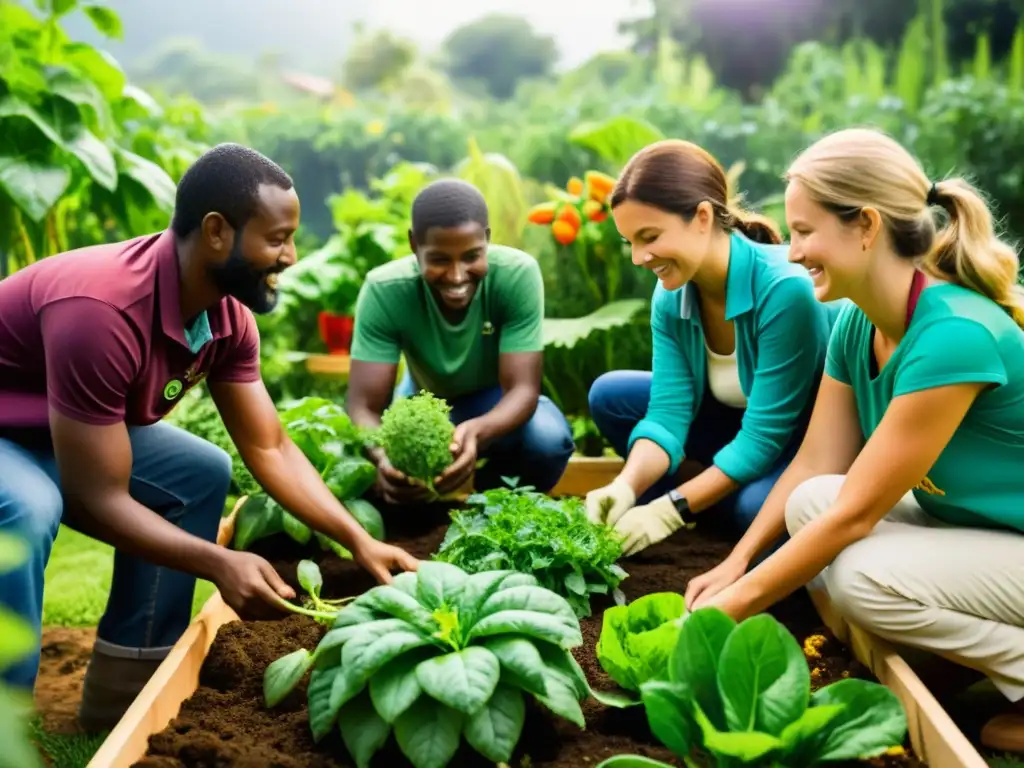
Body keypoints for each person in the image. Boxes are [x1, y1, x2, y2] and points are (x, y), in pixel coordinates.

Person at [0, 143, 419, 731]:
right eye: (277, 239)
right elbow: (96, 496)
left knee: (198, 471)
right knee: (26, 506)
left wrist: (357, 540)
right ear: (218, 232)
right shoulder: (101, 307)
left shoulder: (226, 316)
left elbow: (269, 445)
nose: (291, 256)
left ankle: (127, 696)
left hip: (54, 423)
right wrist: (218, 562)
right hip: (8, 431)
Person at [684, 127, 1024, 753]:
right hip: (987, 532)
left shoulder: (953, 334)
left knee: (861, 578)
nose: (791, 252)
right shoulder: (858, 323)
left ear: (865, 225)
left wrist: (727, 610)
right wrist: (736, 563)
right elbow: (817, 464)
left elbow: (858, 514)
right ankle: (967, 667)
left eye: (805, 231)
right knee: (809, 499)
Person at [584, 139, 840, 557]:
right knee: (611, 396)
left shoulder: (785, 290)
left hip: (801, 440)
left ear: (702, 217)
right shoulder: (671, 293)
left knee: (753, 512)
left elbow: (763, 437)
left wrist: (670, 509)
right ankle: (704, 494)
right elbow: (667, 414)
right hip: (733, 424)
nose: (637, 257)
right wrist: (624, 485)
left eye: (648, 236)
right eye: (629, 241)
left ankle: (702, 499)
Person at [346, 178, 575, 502]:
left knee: (547, 441)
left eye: (471, 256)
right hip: (424, 405)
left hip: (496, 401)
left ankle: (494, 503)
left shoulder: (516, 275)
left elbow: (523, 389)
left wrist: (477, 432)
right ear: (414, 245)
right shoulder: (385, 290)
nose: (456, 276)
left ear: (487, 239)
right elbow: (363, 406)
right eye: (439, 259)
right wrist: (384, 455)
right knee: (366, 467)